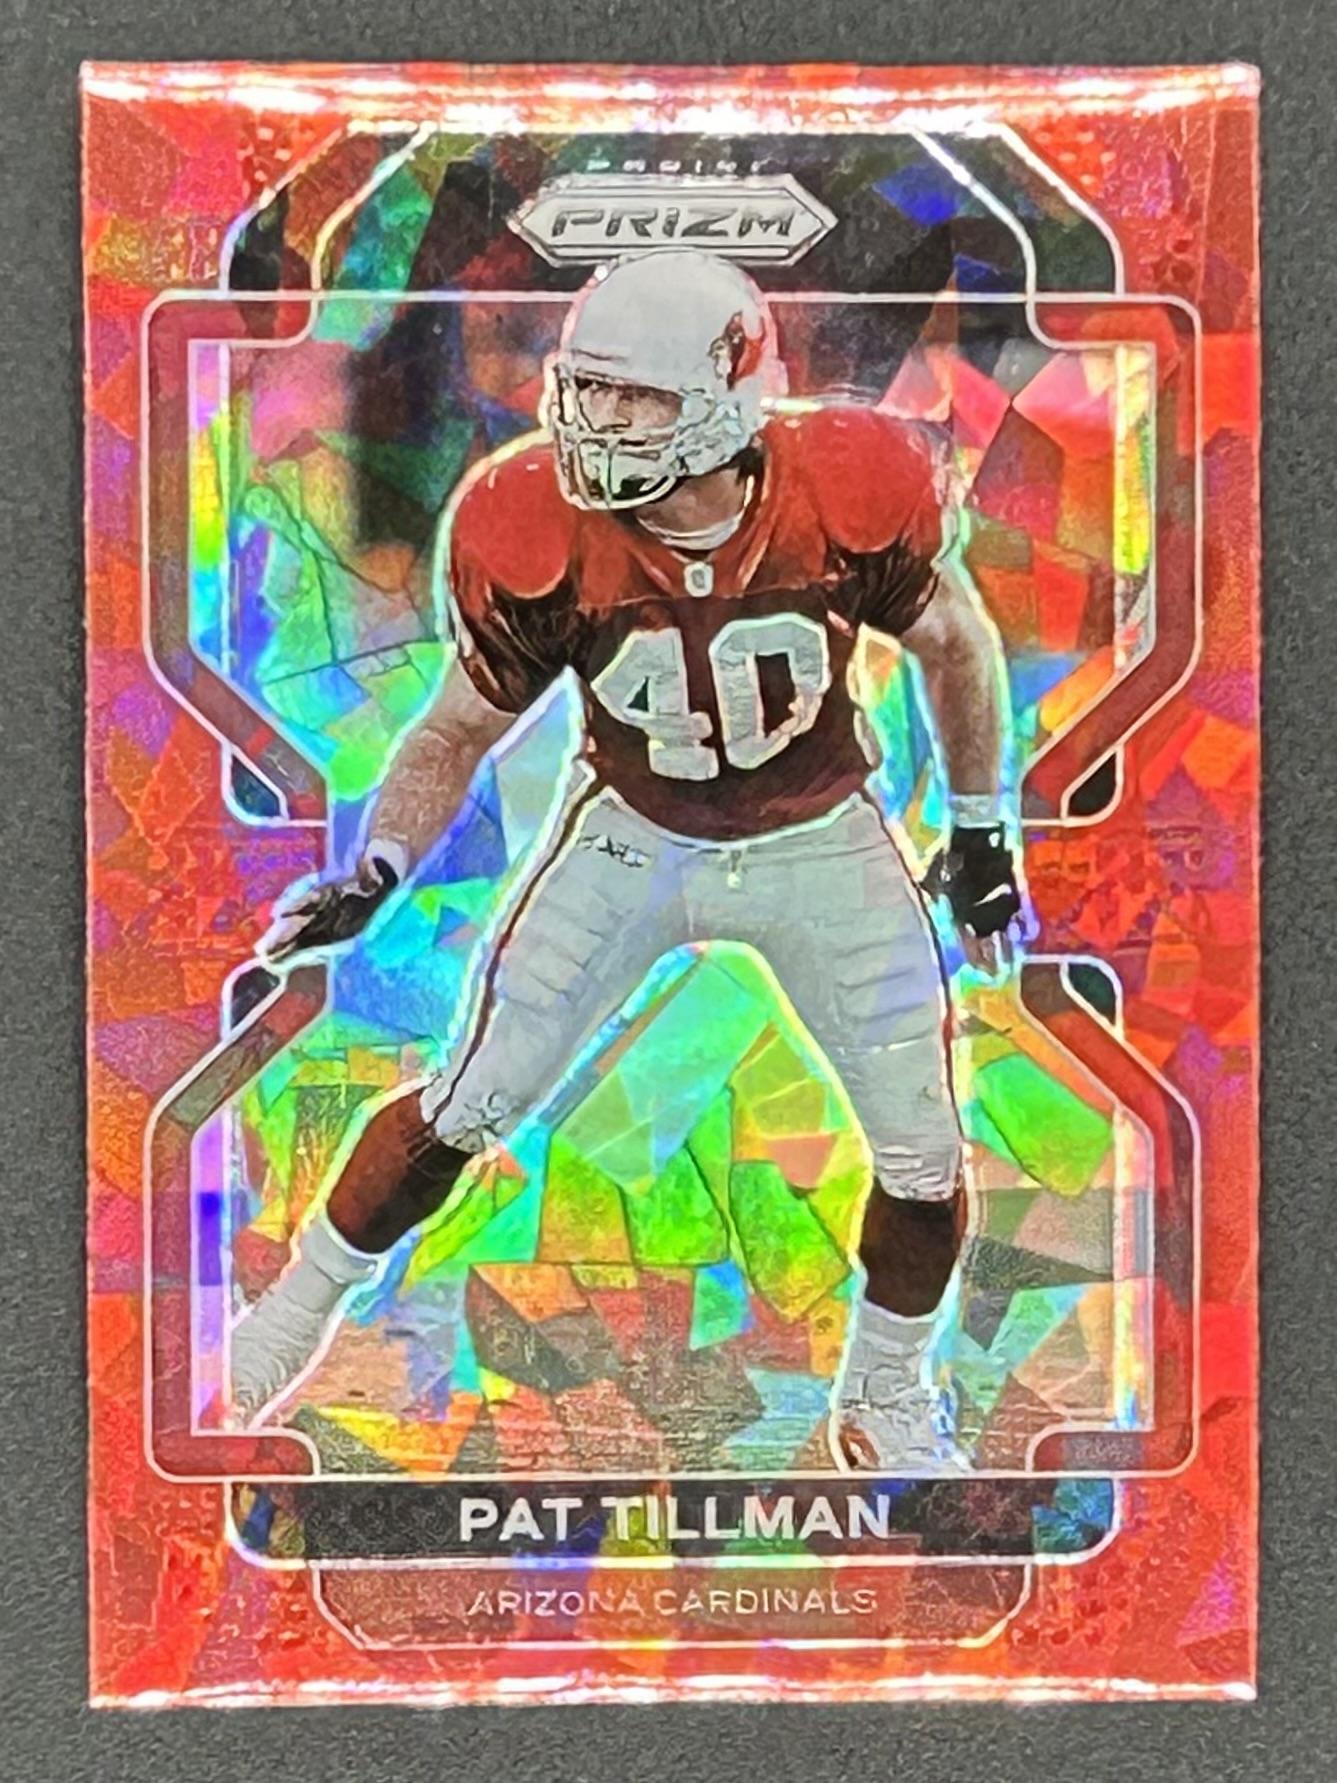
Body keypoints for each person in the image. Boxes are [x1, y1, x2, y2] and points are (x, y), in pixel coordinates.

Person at [231, 248, 1023, 1471]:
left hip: (818, 835)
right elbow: (453, 732)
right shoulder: (526, 518)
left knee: (922, 1150)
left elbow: (957, 645)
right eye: (587, 387)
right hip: (633, 837)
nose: (598, 421)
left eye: (637, 397)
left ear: (728, 392)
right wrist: (378, 865)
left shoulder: (847, 483)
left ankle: (883, 1392)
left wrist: (976, 831)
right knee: (471, 1099)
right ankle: (285, 1322)